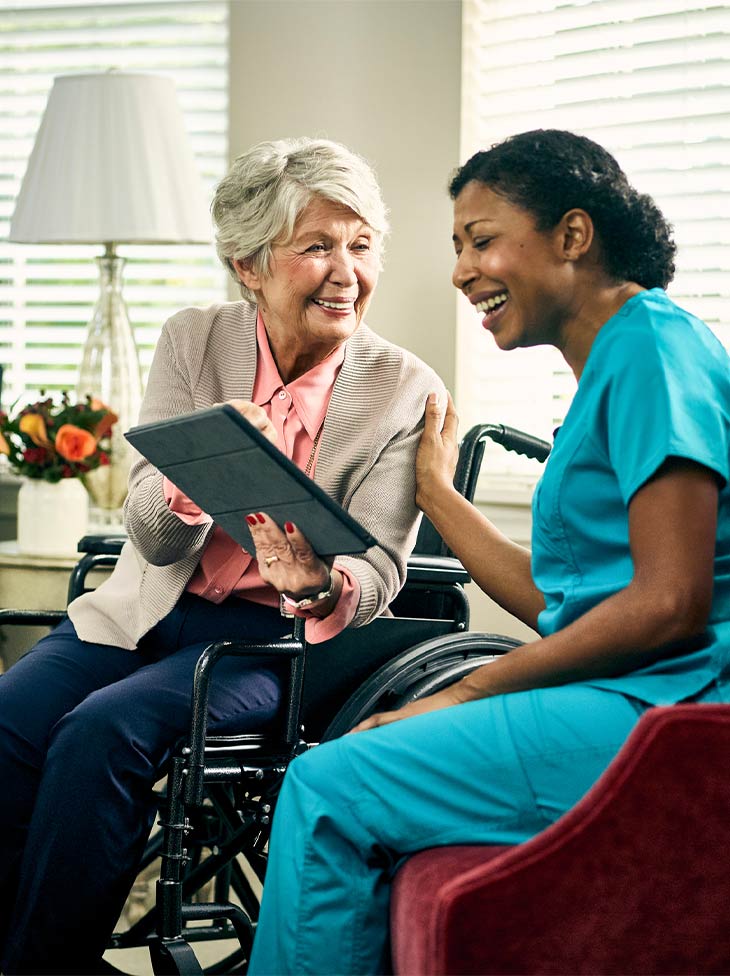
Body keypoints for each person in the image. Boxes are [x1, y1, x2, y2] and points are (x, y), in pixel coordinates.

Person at [246, 128, 730, 975]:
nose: (463, 269)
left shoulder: (655, 350)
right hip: (637, 689)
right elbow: (567, 607)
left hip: (676, 712)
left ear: (572, 237)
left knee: (327, 789)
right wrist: (437, 496)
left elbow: (667, 603)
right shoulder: (624, 358)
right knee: (347, 776)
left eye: (482, 239)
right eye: (456, 247)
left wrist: (462, 692)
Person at [0, 136, 445, 975]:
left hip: (266, 644)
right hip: (145, 608)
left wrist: (320, 585)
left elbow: (383, 567)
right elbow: (149, 528)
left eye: (361, 244)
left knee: (103, 734)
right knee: (12, 720)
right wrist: (192, 481)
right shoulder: (194, 340)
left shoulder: (403, 388)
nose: (346, 271)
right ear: (249, 265)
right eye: (317, 246)